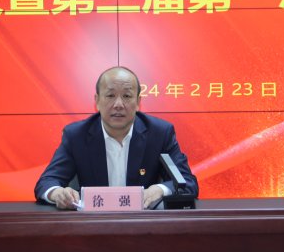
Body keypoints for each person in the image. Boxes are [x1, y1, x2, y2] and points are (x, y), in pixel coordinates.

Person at [34, 66, 198, 209]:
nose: (118, 104)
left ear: (138, 102)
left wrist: (160, 189)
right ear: (97, 101)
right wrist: (57, 193)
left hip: (143, 225)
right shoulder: (76, 135)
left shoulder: (160, 133)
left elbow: (187, 183)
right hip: (93, 225)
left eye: (127, 96)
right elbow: (46, 182)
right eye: (110, 95)